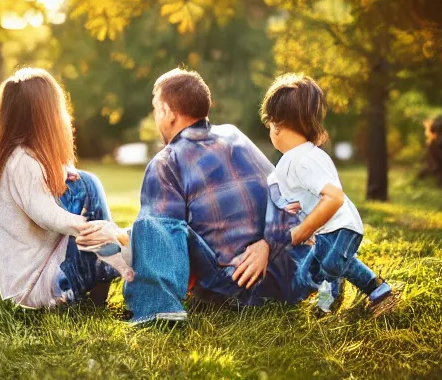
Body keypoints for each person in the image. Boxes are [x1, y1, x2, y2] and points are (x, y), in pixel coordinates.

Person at [122, 68, 314, 324]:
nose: (156, 116)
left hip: (236, 284)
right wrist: (267, 242)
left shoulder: (166, 161)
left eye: (157, 108)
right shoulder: (235, 135)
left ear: (168, 113)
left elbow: (161, 232)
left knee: (149, 224)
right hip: (287, 276)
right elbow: (284, 196)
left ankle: (157, 309)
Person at [0, 68, 133, 309]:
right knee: (88, 186)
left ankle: (109, 263)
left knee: (83, 181)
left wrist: (66, 175)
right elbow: (46, 214)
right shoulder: (21, 162)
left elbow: (43, 190)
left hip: (32, 281)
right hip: (38, 287)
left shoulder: (11, 156)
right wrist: (93, 228)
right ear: (45, 115)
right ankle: (111, 267)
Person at [260, 73, 398, 314]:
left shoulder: (304, 159)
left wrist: (302, 230)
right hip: (325, 230)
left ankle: (376, 291)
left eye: (269, 126)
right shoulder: (294, 159)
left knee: (333, 264)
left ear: (277, 126)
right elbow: (299, 198)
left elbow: (334, 198)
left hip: (341, 226)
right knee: (309, 272)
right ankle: (329, 296)